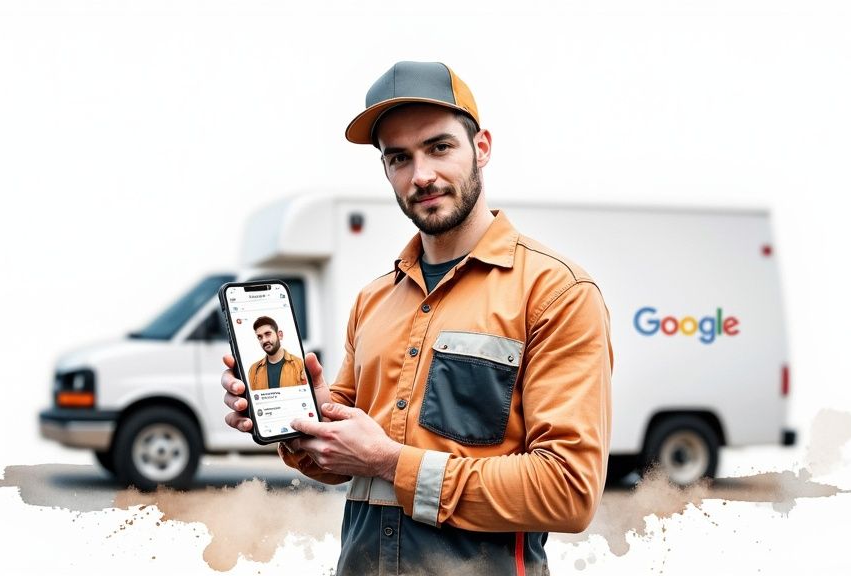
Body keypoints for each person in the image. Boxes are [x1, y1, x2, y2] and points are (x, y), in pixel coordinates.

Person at [222, 61, 612, 575]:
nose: (421, 175)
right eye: (399, 158)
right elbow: (345, 461)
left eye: (439, 147)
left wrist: (388, 460)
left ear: (483, 147)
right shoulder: (372, 301)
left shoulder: (556, 292)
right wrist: (301, 424)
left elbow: (568, 492)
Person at [246, 316, 306, 390]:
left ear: (279, 335)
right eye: (260, 337)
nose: (264, 340)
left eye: (268, 334)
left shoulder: (299, 364)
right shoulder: (254, 370)